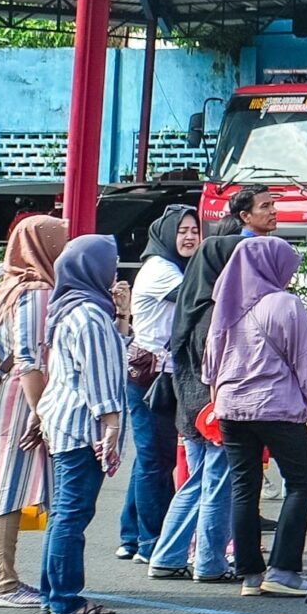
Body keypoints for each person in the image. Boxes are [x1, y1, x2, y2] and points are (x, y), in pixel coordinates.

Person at [206, 235, 307, 597]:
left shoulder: (226, 304)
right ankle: (284, 569)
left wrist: (218, 403)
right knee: (302, 482)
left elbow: (210, 365)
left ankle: (250, 575)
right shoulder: (285, 305)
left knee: (244, 488)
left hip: (230, 407)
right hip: (275, 406)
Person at [0, 213, 67, 608]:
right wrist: (40, 412)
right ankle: (2, 582)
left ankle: (1, 577)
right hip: (21, 398)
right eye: (60, 239)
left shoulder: (10, 285)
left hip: (4, 396)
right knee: (6, 485)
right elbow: (29, 358)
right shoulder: (37, 291)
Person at [36, 233, 131, 614]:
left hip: (62, 421)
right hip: (82, 426)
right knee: (73, 514)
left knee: (65, 512)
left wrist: (122, 316)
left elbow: (111, 357)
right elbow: (101, 377)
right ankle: (65, 598)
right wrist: (110, 426)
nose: (114, 272)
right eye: (110, 264)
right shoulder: (90, 316)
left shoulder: (74, 308)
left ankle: (52, 592)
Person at [150, 232, 239, 583]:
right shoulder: (214, 311)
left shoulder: (191, 300)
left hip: (190, 407)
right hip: (212, 409)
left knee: (197, 482)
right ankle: (210, 562)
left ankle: (168, 554)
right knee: (216, 484)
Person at [117, 204, 197, 564]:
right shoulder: (161, 270)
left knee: (152, 457)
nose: (190, 236)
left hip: (159, 372)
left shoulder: (174, 267)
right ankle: (151, 543)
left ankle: (132, 536)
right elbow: (198, 299)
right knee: (155, 460)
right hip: (149, 375)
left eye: (195, 230)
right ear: (166, 235)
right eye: (182, 231)